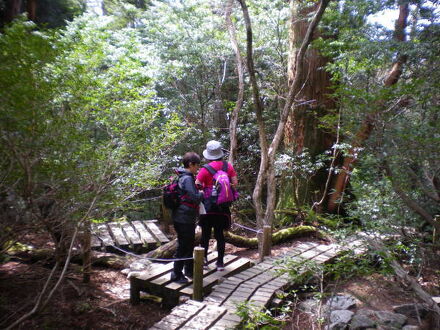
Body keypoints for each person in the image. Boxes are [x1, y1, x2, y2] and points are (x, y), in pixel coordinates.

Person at [196, 140, 238, 271]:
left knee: (205, 235)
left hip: (208, 208)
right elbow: (235, 183)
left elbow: (197, 184)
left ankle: (204, 261)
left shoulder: (204, 169)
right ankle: (220, 263)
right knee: (220, 235)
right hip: (223, 207)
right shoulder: (228, 166)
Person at [170, 152, 204, 283]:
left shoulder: (181, 176)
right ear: (191, 164)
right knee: (183, 246)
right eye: (197, 165)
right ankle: (176, 275)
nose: (198, 168)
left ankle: (188, 270)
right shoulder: (187, 178)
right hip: (184, 218)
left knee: (188, 244)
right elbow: (195, 198)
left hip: (181, 217)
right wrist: (201, 193)